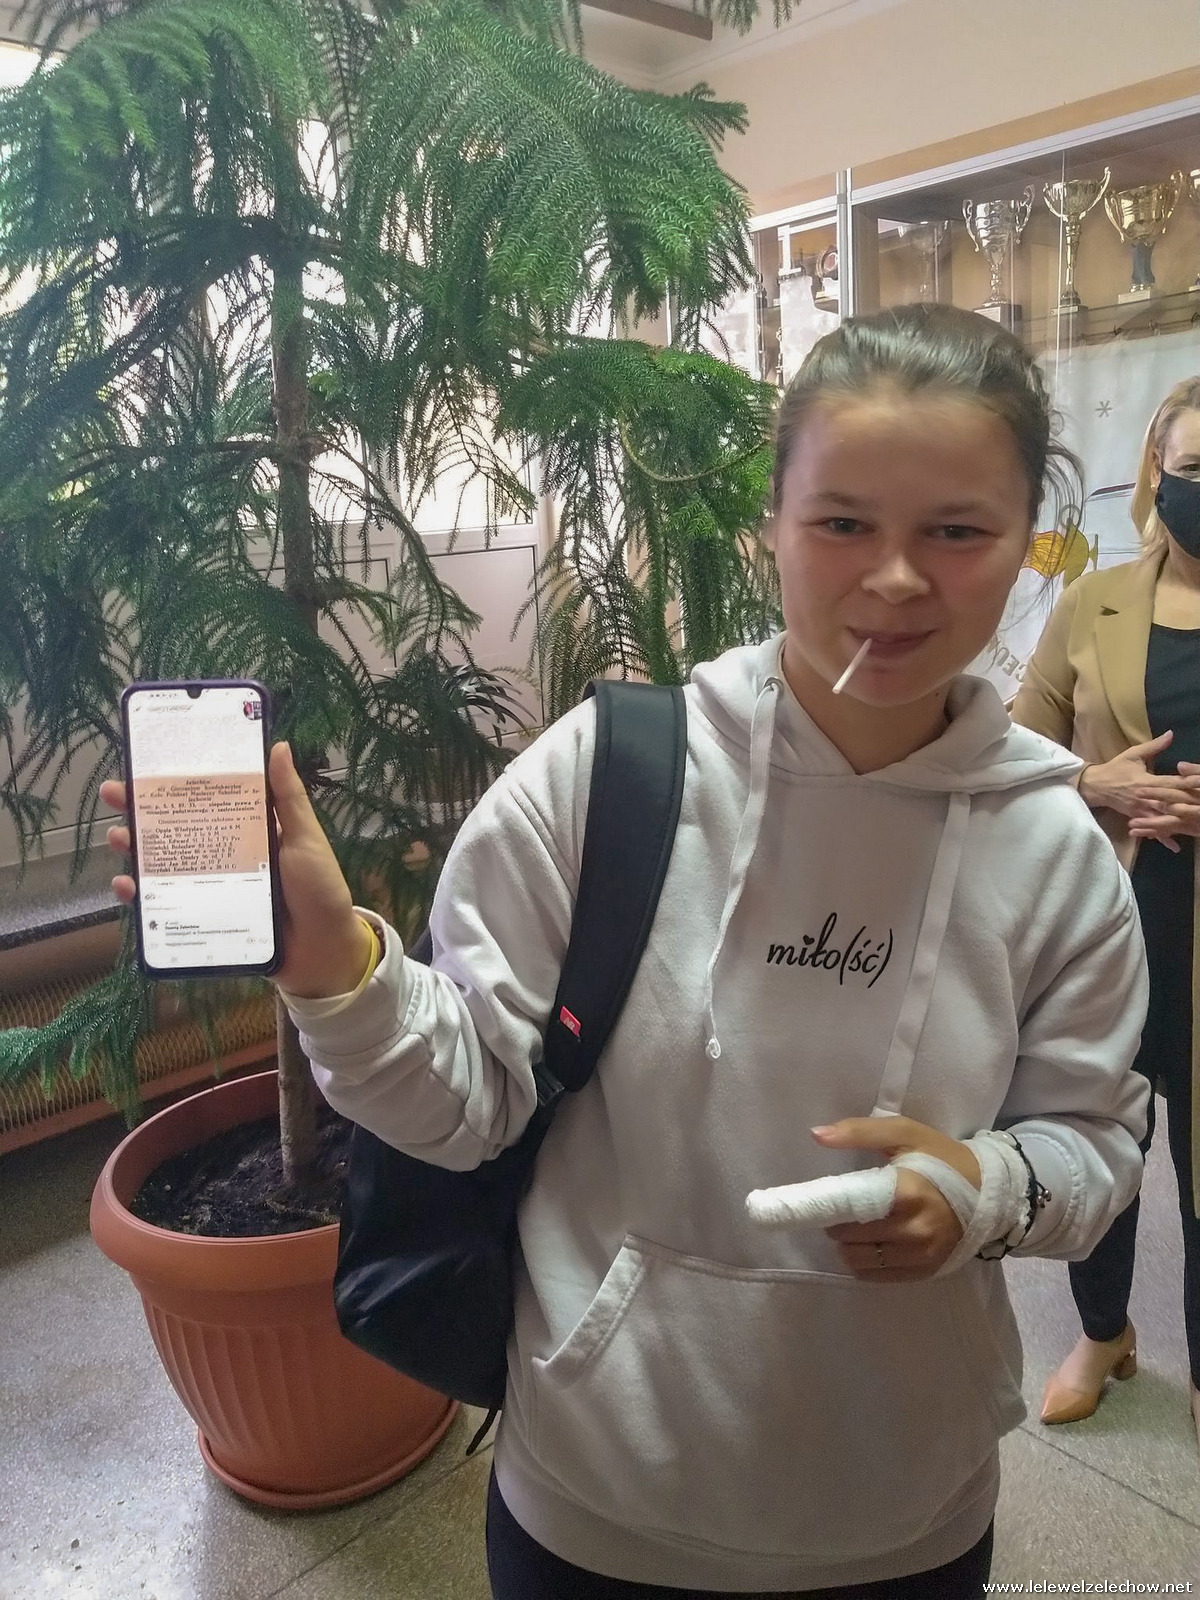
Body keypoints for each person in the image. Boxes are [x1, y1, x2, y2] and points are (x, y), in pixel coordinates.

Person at [103, 304, 1148, 1599]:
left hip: (904, 1519)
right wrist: (337, 975)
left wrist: (985, 1188)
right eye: (842, 523)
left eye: (956, 531)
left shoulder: (1054, 849)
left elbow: (1097, 1144)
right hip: (595, 1510)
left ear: (1028, 539)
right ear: (771, 527)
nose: (894, 577)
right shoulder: (609, 778)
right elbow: (467, 1107)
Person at [1012, 377, 1200, 1444]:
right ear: (1158, 471)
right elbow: (1012, 746)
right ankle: (1103, 1331)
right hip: (1110, 928)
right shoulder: (1093, 603)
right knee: (1103, 1137)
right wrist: (1097, 783)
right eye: (1196, 467)